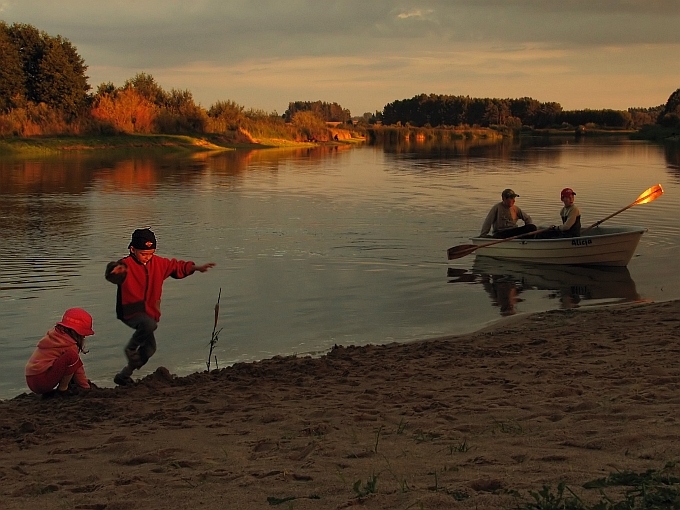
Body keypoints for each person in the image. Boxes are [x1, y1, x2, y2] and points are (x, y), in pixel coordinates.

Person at [105, 228, 215, 386]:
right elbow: (112, 274)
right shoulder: (125, 265)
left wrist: (196, 268)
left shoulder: (158, 263)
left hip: (149, 312)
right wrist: (113, 271)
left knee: (150, 348)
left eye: (151, 253)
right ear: (132, 249)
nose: (147, 257)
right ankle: (130, 349)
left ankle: (123, 375)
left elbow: (177, 267)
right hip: (130, 311)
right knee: (150, 324)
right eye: (143, 254)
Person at [25, 308, 95, 397]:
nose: (84, 336)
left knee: (67, 360)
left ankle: (69, 384)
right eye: (83, 334)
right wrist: (85, 387)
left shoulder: (54, 336)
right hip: (42, 381)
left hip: (31, 380)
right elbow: (78, 369)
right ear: (76, 332)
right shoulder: (70, 345)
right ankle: (63, 390)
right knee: (72, 357)